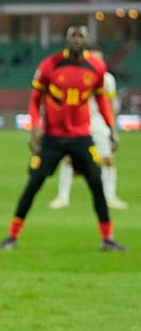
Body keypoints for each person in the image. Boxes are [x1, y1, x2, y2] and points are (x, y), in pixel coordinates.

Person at [0, 25, 126, 252]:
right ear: (66, 40)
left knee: (97, 184)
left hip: (81, 137)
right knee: (33, 184)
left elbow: (102, 103)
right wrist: (34, 127)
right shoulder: (50, 65)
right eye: (73, 36)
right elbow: (35, 98)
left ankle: (107, 239)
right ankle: (12, 236)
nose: (77, 40)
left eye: (81, 36)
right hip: (52, 138)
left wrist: (111, 129)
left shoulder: (96, 68)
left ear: (87, 41)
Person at [49, 47, 128, 210]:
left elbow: (110, 105)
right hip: (79, 123)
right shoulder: (79, 76)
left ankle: (110, 198)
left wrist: (111, 127)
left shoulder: (108, 79)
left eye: (100, 59)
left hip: (99, 123)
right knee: (69, 159)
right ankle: (62, 198)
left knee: (107, 159)